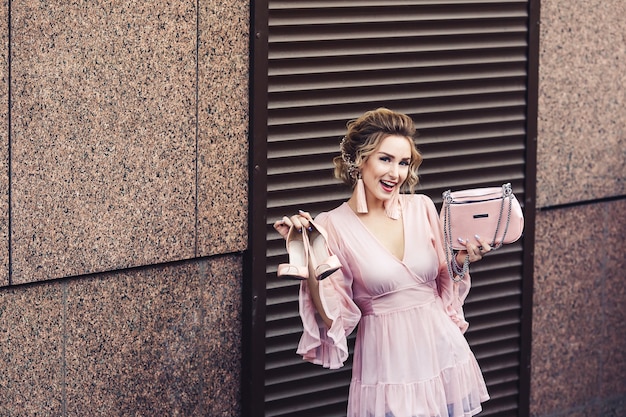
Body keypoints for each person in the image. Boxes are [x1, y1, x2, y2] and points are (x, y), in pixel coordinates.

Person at [273, 108, 491, 417]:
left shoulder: (422, 207)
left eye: (403, 163)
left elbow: (445, 282)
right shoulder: (331, 225)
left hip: (443, 351)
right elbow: (335, 316)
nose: (396, 173)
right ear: (360, 160)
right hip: (388, 363)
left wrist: (461, 261)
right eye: (385, 159)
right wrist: (310, 257)